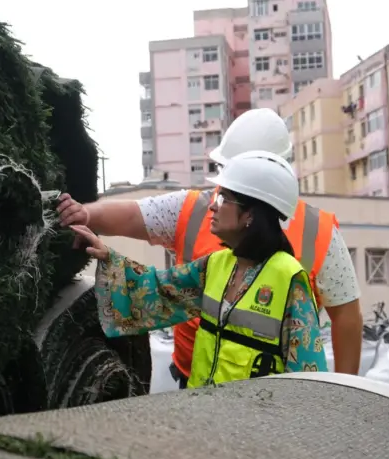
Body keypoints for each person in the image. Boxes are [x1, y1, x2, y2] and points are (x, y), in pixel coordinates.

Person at [58, 108, 361, 387]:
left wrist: (346, 399)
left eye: (226, 195)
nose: (214, 203)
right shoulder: (217, 263)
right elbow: (159, 290)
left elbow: (308, 373)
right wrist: (100, 243)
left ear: (251, 211)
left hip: (257, 419)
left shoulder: (291, 277)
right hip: (201, 405)